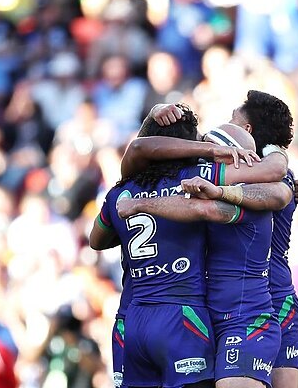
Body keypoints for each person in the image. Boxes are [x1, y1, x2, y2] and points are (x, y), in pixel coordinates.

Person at [116, 124, 291, 388]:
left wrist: (138, 205)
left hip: (245, 321)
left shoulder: (248, 197)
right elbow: (138, 154)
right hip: (209, 319)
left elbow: (276, 192)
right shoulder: (198, 186)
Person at [153, 90, 298, 388]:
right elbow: (145, 150)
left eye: (233, 118)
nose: (226, 122)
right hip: (225, 305)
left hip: (267, 300)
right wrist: (159, 110)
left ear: (246, 130)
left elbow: (278, 181)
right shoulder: (260, 169)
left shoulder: (270, 174)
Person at [90, 105, 246, 388]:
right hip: (181, 315)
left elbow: (95, 241)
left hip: (132, 319)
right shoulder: (196, 180)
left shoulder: (119, 192)